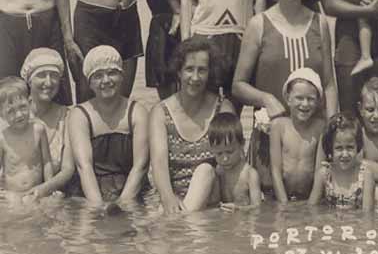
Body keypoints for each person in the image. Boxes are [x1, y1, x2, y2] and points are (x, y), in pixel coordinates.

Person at [233, 0, 337, 189]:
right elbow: (238, 85)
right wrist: (266, 98)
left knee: (314, 206)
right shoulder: (258, 25)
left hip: (312, 144)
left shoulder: (319, 23)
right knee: (268, 206)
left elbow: (329, 84)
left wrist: (331, 130)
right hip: (269, 141)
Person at [149, 37, 235, 214]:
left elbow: (234, 161)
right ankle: (182, 220)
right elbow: (159, 163)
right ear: (178, 71)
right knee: (158, 216)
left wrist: (239, 202)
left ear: (210, 73)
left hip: (212, 197)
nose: (195, 77)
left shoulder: (222, 108)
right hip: (174, 198)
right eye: (189, 69)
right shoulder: (161, 112)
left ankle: (181, 221)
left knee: (205, 170)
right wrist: (168, 198)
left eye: (202, 70)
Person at [68, 46, 149, 204]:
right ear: (90, 83)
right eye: (98, 76)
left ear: (122, 76)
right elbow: (84, 166)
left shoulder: (137, 111)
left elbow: (141, 166)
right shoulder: (79, 115)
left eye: (112, 73)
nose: (106, 80)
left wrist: (123, 204)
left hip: (131, 189)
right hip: (89, 191)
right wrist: (97, 207)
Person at [21, 48, 76, 198]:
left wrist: (43, 190)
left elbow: (68, 169)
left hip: (51, 194)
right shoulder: (14, 115)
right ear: (29, 80)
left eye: (54, 76)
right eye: (41, 75)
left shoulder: (67, 116)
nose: (48, 82)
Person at [269, 68, 325, 203]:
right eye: (299, 98)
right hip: (282, 197)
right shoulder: (278, 126)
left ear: (318, 101)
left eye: (311, 99)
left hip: (309, 198)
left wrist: (312, 205)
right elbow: (275, 171)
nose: (305, 104)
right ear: (288, 98)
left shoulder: (320, 127)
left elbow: (320, 171)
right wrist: (283, 204)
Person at [308, 112, 375, 211]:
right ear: (330, 149)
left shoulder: (366, 175)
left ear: (358, 146)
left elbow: (367, 213)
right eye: (339, 148)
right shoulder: (324, 174)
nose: (345, 154)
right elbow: (312, 208)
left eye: (350, 147)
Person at [0, 77, 53, 196]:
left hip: (37, 191)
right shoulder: (2, 138)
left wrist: (48, 187)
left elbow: (47, 162)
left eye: (22, 107)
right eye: (11, 111)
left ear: (30, 102)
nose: (19, 115)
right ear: (1, 115)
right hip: (12, 193)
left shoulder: (38, 130)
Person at [207, 112, 262, 209]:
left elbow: (258, 208)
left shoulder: (250, 175)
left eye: (230, 152)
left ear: (242, 144)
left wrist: (239, 209)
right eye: (219, 153)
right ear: (211, 149)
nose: (225, 158)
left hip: (245, 217)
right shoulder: (218, 172)